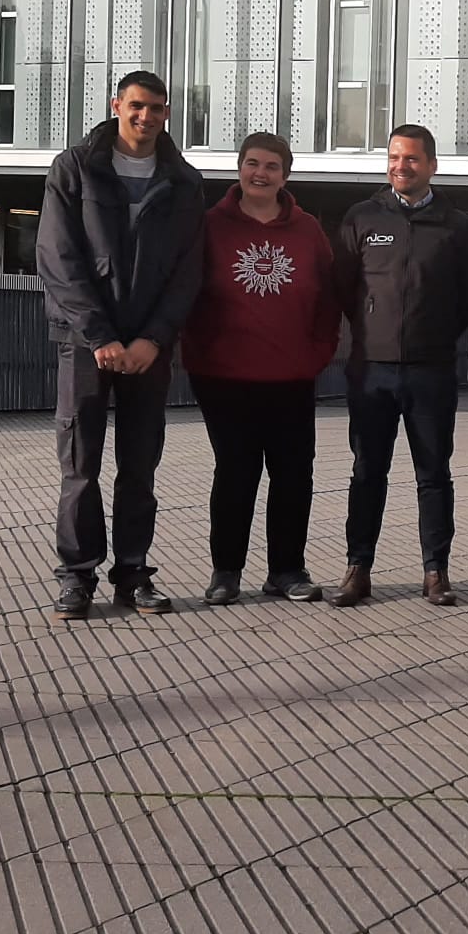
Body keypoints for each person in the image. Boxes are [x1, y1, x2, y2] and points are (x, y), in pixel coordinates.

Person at [36, 71, 205, 619]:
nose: (146, 117)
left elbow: (188, 271)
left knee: (140, 466)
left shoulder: (184, 180)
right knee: (81, 464)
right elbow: (58, 257)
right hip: (87, 345)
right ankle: (77, 576)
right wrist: (101, 336)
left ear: (166, 113)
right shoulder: (77, 167)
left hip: (148, 350)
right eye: (136, 106)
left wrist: (154, 338)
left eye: (156, 108)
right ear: (116, 106)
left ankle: (133, 573)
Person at [180, 132, 340, 607]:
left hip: (291, 376)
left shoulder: (308, 230)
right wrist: (198, 351)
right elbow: (186, 292)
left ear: (285, 175)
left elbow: (329, 298)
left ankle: (287, 570)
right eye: (252, 163)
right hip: (223, 377)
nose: (260, 173)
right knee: (235, 473)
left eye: (271, 166)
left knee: (294, 474)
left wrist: (318, 353)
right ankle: (226, 571)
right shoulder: (209, 226)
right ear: (239, 168)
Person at [333, 123, 468, 608]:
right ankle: (358, 568)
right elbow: (342, 287)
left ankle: (436, 572)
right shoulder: (361, 217)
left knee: (433, 474)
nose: (402, 166)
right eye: (395, 157)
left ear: (432, 165)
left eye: (412, 159)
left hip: (431, 370)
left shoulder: (456, 226)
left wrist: (436, 331)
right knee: (366, 472)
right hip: (372, 370)